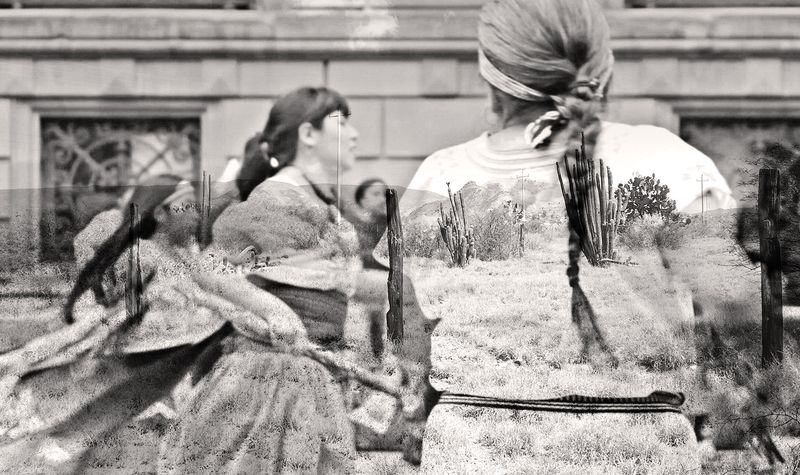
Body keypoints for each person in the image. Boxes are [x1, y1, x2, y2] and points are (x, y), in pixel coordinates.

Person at [394, 0, 746, 472]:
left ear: (492, 79)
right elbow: (737, 310)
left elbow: (411, 328)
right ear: (603, 71)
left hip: (477, 449)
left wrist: (416, 413)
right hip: (637, 450)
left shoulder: (440, 175)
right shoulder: (668, 161)